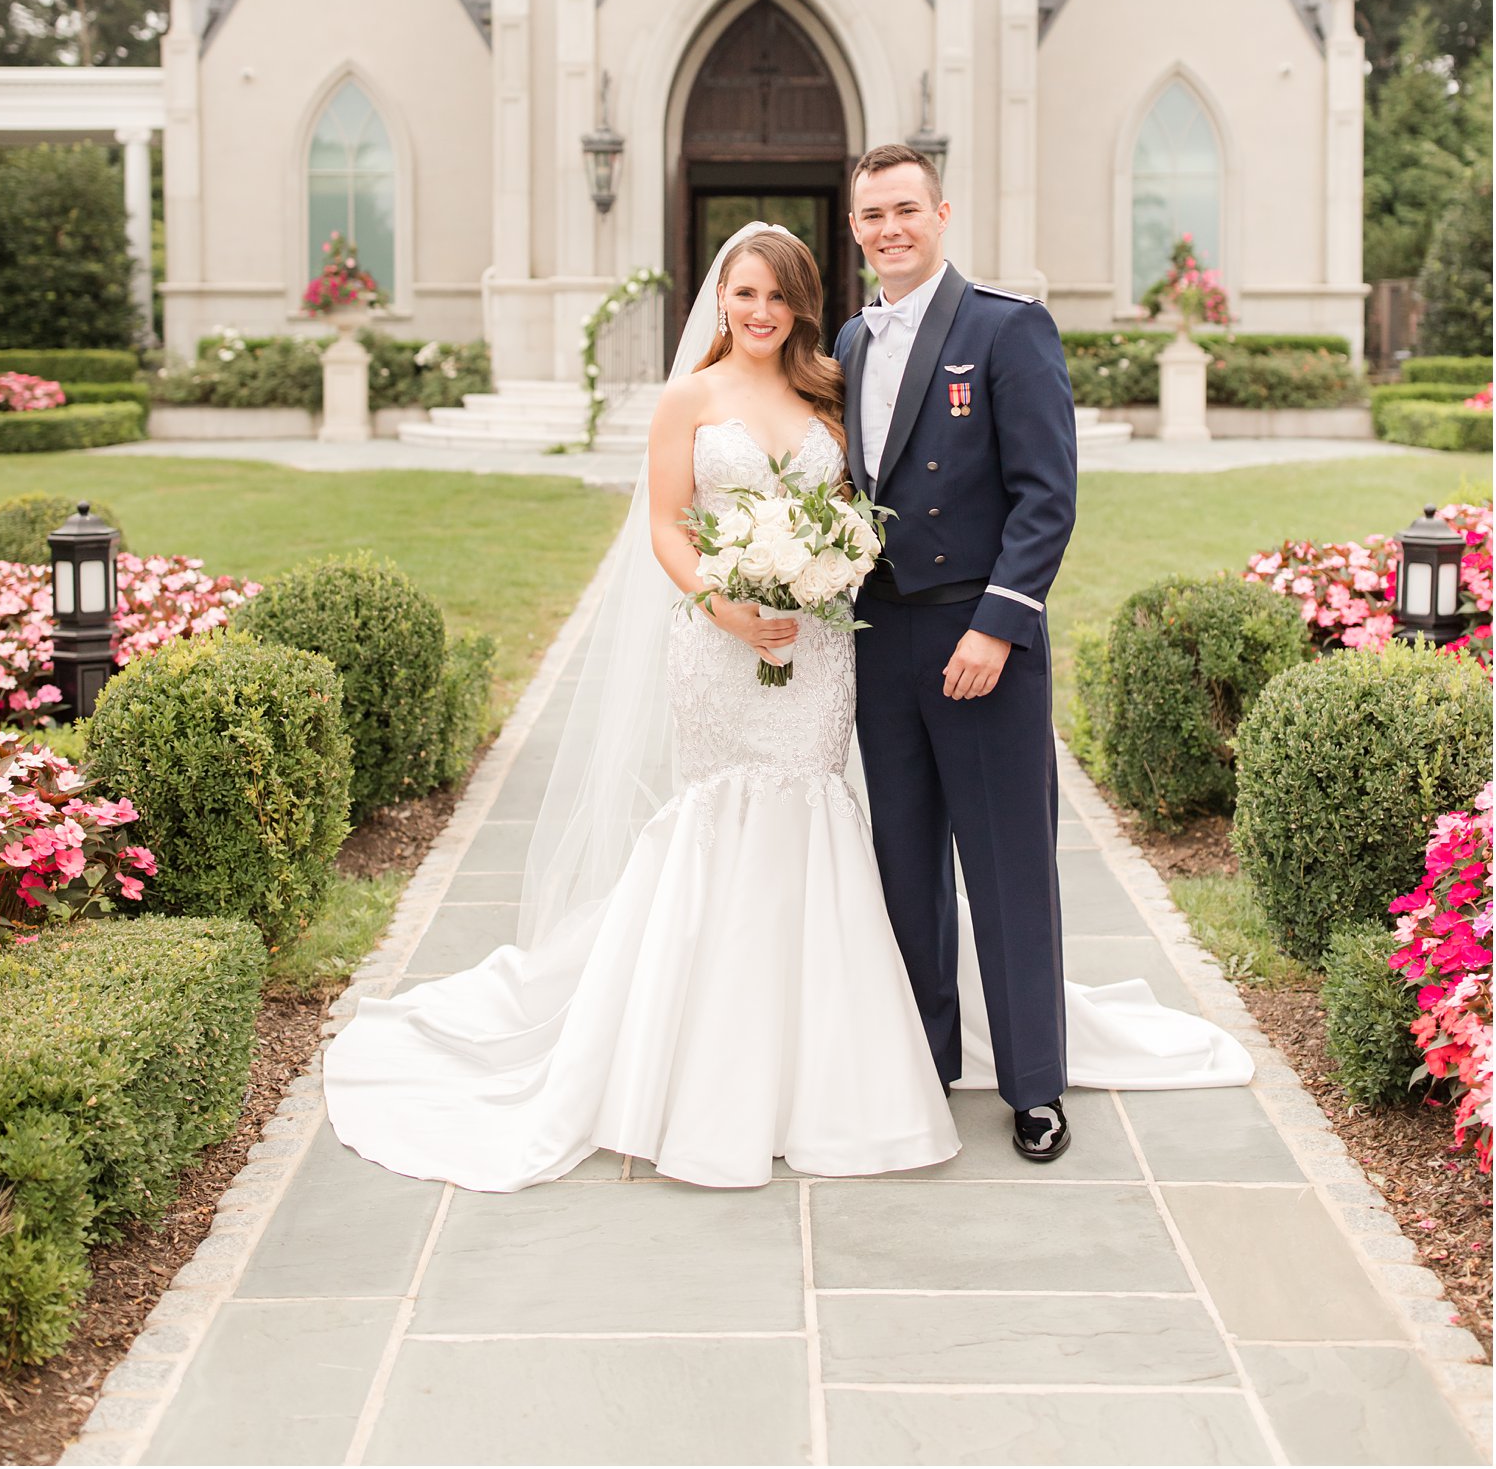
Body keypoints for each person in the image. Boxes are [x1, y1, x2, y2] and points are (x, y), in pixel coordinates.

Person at [324, 219, 1251, 1196]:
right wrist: (722, 604)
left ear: (801, 305)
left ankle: (847, 1063)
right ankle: (703, 1061)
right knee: (725, 822)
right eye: (742, 293)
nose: (757, 311)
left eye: (775, 295)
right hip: (718, 649)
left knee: (817, 817)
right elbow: (665, 525)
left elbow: (872, 505)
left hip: (815, 651)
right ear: (718, 299)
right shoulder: (687, 398)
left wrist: (823, 572)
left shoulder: (830, 389)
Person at [837, 144, 1078, 1160]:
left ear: (940, 211)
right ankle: (925, 1066)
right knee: (904, 867)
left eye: (904, 209)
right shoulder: (846, 342)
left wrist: (995, 625)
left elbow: (1045, 495)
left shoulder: (1005, 326)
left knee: (1006, 864)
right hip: (880, 636)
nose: (888, 228)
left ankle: (1031, 1088)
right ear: (854, 232)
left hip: (980, 635)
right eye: (870, 216)